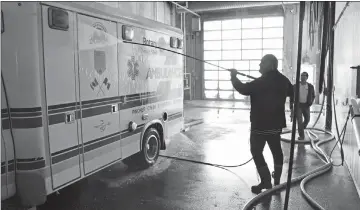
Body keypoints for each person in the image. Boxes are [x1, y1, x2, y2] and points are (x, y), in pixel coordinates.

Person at [229, 54, 294, 194]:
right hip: (276, 125)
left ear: (270, 64)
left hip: (260, 125)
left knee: (256, 151)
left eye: (261, 63)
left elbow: (243, 89)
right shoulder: (283, 80)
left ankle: (266, 181)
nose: (259, 66)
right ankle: (276, 180)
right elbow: (291, 92)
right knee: (277, 151)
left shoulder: (260, 81)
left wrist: (234, 77)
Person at [293, 71, 315, 140]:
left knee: (307, 119)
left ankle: (301, 128)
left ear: (307, 77)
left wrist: (310, 102)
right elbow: (291, 95)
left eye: (304, 75)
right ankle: (301, 135)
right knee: (299, 121)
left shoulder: (310, 86)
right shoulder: (296, 86)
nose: (302, 77)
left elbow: (313, 95)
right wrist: (292, 105)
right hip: (298, 105)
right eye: (301, 75)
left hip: (306, 105)